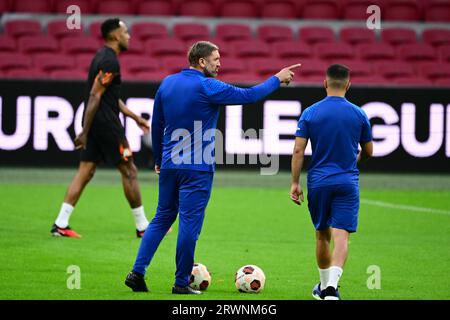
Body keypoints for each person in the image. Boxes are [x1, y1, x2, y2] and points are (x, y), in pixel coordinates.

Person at [124, 41, 300, 294]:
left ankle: (137, 273)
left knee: (162, 217)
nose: (220, 63)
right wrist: (276, 79)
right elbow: (249, 96)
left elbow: (158, 124)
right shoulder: (208, 86)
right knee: (189, 225)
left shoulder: (167, 83)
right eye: (216, 59)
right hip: (197, 168)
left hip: (171, 164)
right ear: (202, 62)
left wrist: (159, 160)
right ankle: (181, 283)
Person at [51, 18, 152, 238]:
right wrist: (84, 132)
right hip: (105, 124)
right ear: (115, 35)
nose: (129, 36)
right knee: (130, 171)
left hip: (97, 122)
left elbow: (108, 97)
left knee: (85, 171)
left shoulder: (101, 56)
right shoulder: (110, 61)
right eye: (125, 32)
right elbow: (95, 95)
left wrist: (135, 117)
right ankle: (143, 227)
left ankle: (60, 223)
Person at [290, 64, 373, 300]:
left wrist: (295, 183)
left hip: (319, 181)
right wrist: (355, 162)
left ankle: (325, 287)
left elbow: (298, 151)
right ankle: (331, 289)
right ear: (348, 85)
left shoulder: (310, 112)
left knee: (321, 235)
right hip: (347, 181)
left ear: (325, 83)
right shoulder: (359, 114)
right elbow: (369, 151)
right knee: (341, 236)